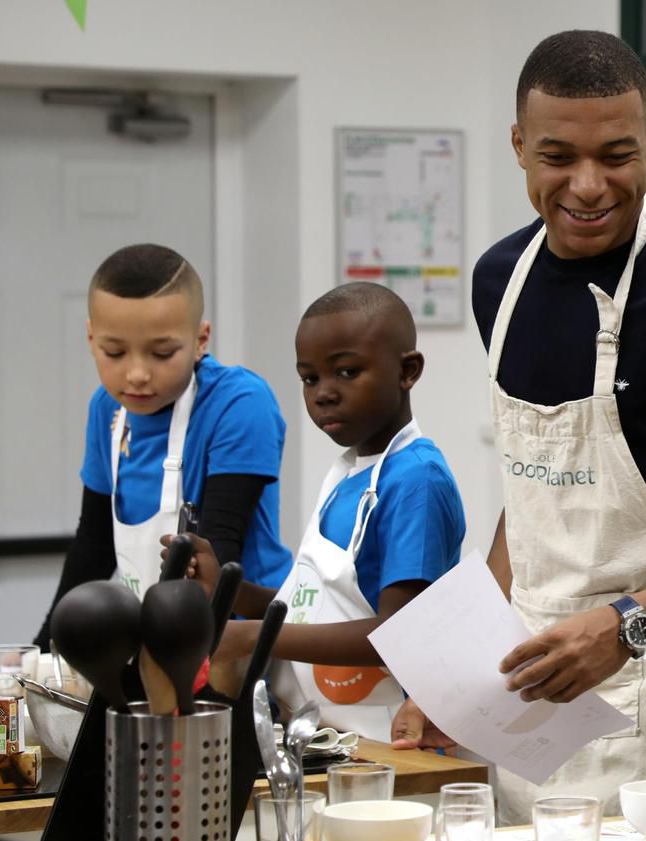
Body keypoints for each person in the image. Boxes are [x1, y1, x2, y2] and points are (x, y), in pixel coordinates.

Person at [394, 30, 646, 821]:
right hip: (535, 697)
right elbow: (534, 493)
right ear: (518, 148)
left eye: (615, 155)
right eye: (557, 156)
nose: (588, 185)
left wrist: (627, 627)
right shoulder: (500, 281)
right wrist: (451, 679)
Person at [176, 282, 465, 739]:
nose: (324, 393)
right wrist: (227, 593)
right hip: (328, 738)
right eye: (310, 379)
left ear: (407, 371)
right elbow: (312, 612)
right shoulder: (346, 475)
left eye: (347, 372)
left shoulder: (416, 480)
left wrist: (255, 635)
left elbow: (401, 635)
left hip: (393, 747)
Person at [35, 243, 292, 649]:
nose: (136, 374)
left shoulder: (240, 404)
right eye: (114, 352)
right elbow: (95, 542)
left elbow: (218, 554)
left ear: (200, 339)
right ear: (90, 337)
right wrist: (46, 648)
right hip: (159, 633)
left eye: (162, 353)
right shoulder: (108, 410)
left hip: (240, 639)